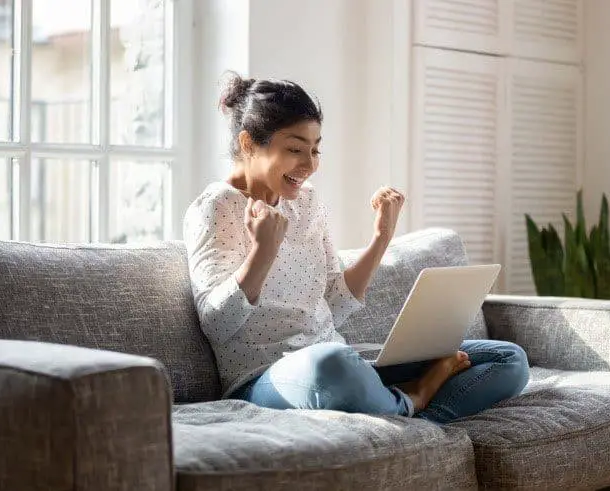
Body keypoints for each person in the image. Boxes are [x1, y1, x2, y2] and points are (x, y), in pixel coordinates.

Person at [183, 72, 529, 423]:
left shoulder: (306, 202)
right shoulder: (216, 207)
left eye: (315, 149)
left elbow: (333, 303)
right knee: (332, 365)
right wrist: (262, 252)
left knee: (508, 359)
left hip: (340, 360)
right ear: (248, 144)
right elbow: (218, 324)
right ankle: (414, 398)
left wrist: (382, 236)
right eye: (294, 149)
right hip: (267, 377)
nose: (309, 164)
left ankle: (407, 418)